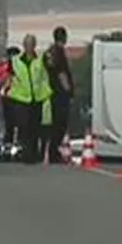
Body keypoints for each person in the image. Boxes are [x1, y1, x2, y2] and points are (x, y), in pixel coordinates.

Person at [5, 34, 54, 163]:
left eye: (31, 44)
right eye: (27, 44)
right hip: (21, 99)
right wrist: (7, 91)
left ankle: (33, 153)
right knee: (24, 127)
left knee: (35, 127)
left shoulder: (40, 60)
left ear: (34, 46)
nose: (29, 47)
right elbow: (10, 77)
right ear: (23, 46)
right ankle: (27, 154)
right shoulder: (15, 61)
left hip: (37, 98)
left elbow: (47, 71)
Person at [43, 26, 74, 163]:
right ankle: (53, 153)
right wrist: (68, 91)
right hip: (59, 94)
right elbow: (61, 73)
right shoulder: (58, 53)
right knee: (60, 124)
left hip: (49, 92)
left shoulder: (48, 53)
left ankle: (52, 152)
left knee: (54, 124)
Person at [0, 46, 21, 149]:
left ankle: (12, 142)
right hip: (10, 98)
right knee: (10, 122)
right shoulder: (3, 68)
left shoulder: (5, 68)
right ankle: (10, 142)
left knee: (12, 122)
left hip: (16, 97)